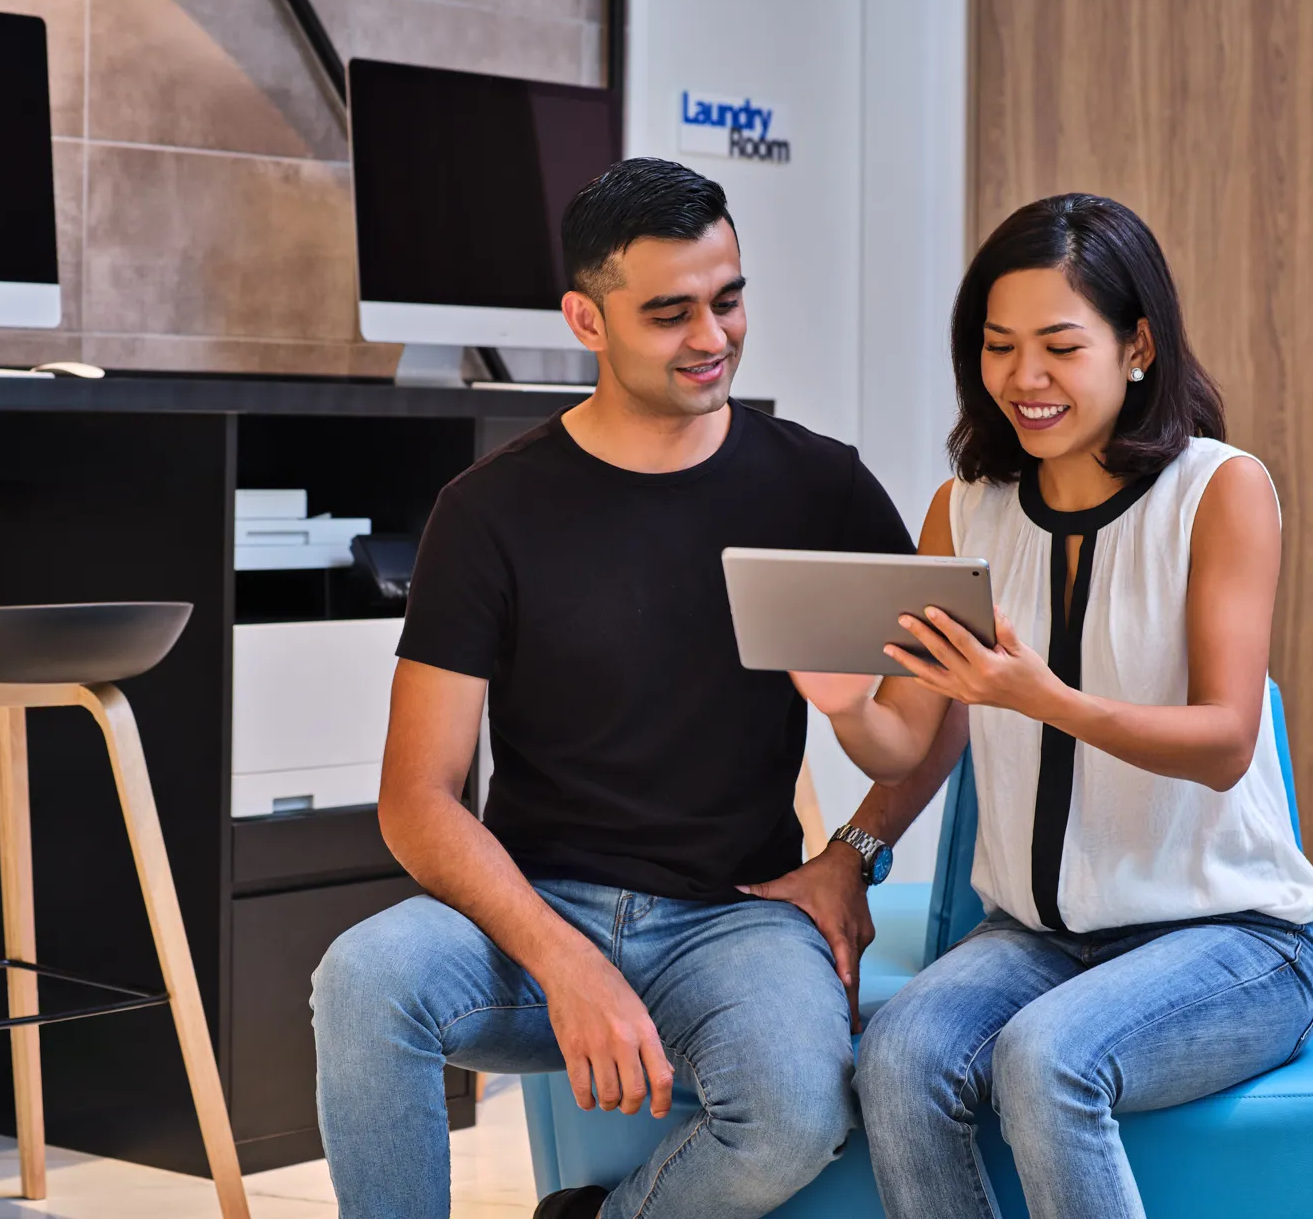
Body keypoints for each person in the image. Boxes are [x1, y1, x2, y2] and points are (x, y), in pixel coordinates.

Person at [308, 157, 957, 1219]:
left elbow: (936, 715)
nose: (713, 336)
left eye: (729, 297)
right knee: (363, 980)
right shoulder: (488, 511)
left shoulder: (819, 485)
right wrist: (565, 961)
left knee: (797, 1110)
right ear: (586, 318)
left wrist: (853, 854)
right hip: (534, 908)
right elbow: (416, 798)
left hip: (736, 918)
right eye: (670, 313)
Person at [783, 193, 1313, 1219]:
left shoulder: (1222, 490)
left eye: (1058, 347)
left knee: (1045, 1058)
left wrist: (1041, 698)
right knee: (899, 1054)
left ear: (1137, 348)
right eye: (998, 347)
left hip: (1235, 939)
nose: (1024, 379)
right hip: (1036, 935)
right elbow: (912, 732)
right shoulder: (965, 508)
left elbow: (1224, 742)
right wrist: (846, 705)